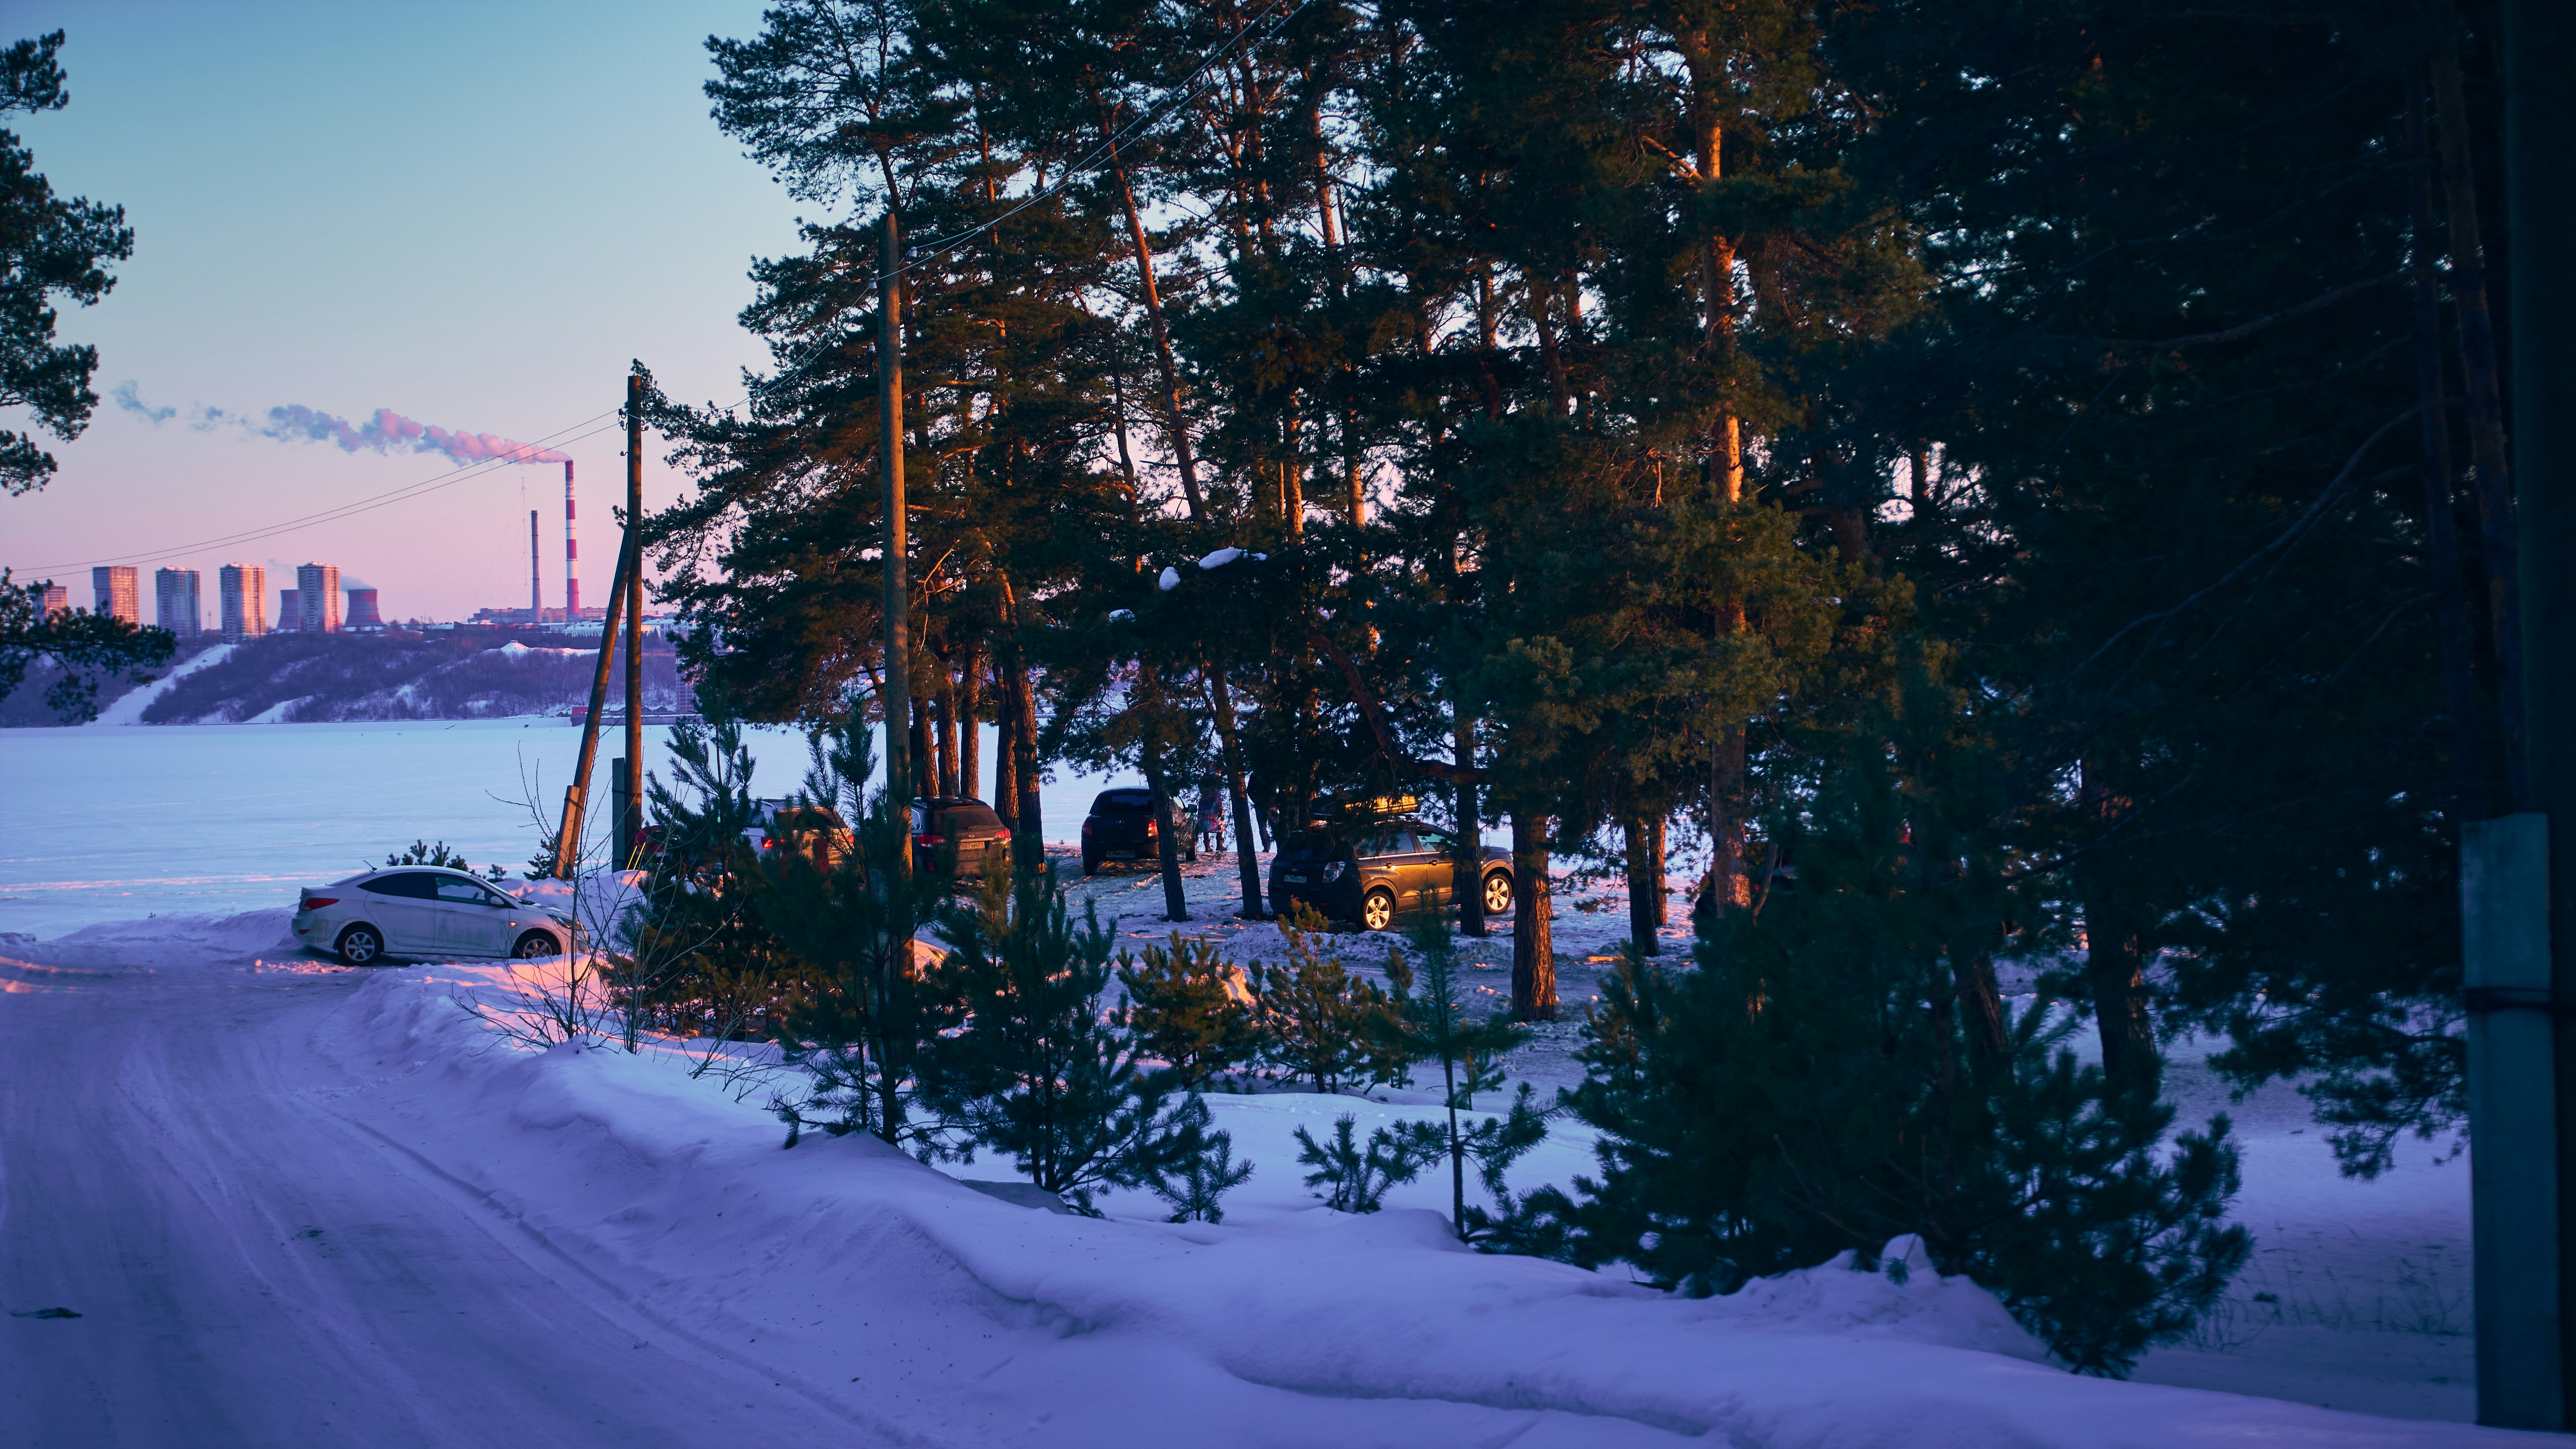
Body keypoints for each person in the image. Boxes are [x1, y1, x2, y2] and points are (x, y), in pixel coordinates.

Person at [1196, 778, 1226, 856]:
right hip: (1214, 806)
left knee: (1206, 827)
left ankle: (1208, 846)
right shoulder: (1216, 784)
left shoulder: (1203, 780)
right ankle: (1218, 845)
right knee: (1219, 826)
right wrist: (1220, 808)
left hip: (1205, 807)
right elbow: (1218, 798)